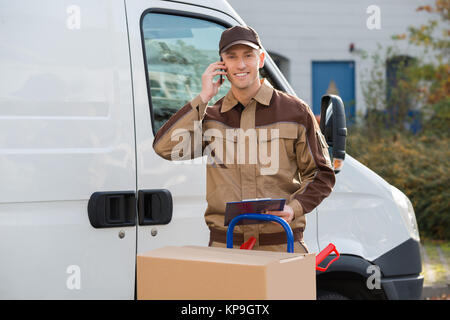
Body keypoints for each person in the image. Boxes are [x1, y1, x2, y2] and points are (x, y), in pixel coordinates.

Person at [153, 25, 335, 253]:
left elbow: (321, 174)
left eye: (248, 56)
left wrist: (295, 208)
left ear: (260, 59)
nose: (240, 65)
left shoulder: (295, 112)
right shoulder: (210, 117)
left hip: (282, 244)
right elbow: (164, 147)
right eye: (232, 57)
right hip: (226, 247)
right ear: (222, 65)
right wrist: (203, 97)